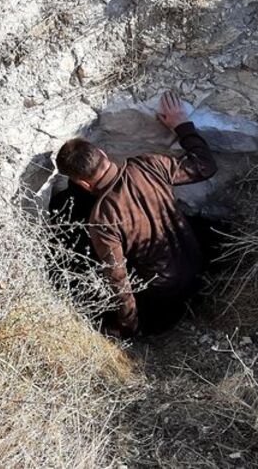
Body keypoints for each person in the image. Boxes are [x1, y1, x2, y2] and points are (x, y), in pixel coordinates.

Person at [55, 91, 218, 337]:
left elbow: (119, 282)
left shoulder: (102, 220)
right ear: (104, 154)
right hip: (198, 262)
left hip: (165, 293)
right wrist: (181, 125)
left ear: (83, 184)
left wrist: (127, 326)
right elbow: (206, 166)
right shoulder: (149, 164)